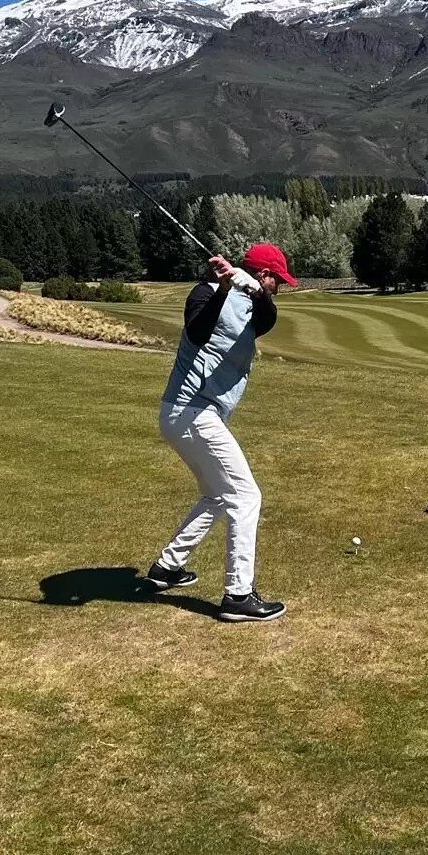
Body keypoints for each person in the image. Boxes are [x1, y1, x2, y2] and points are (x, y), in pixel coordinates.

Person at [146, 243, 298, 622]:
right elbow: (197, 332)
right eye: (277, 280)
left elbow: (268, 316)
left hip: (195, 415)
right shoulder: (206, 291)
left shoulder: (256, 305)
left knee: (217, 495)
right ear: (266, 273)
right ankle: (238, 595)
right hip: (190, 412)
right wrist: (227, 287)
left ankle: (167, 567)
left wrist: (251, 288)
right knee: (246, 497)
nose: (278, 286)